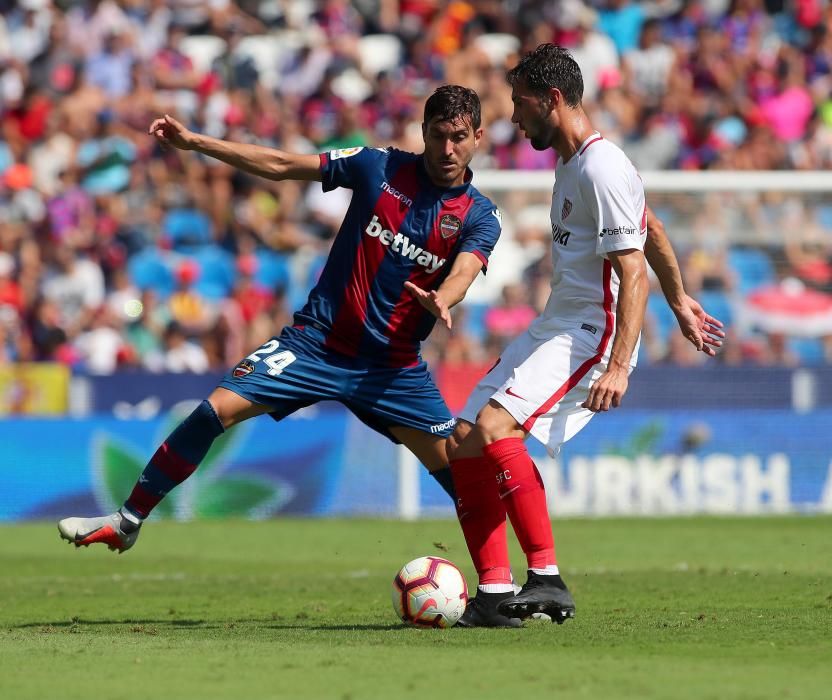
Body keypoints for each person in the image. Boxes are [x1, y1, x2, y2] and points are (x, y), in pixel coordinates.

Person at [57, 85, 503, 552]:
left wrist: (445, 298)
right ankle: (127, 520)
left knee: (463, 471)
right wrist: (196, 143)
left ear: (478, 137)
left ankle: (501, 587)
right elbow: (282, 164)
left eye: (459, 137)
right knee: (213, 411)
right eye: (438, 135)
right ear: (423, 132)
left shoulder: (480, 216)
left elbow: (466, 269)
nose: (447, 149)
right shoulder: (378, 166)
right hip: (316, 345)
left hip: (390, 368)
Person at [437, 45, 724, 628]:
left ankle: (546, 579)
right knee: (464, 439)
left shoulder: (601, 166)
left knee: (496, 428)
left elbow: (632, 267)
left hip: (592, 331)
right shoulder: (573, 165)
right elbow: (654, 229)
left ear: (552, 99)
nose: (514, 118)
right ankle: (494, 593)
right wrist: (681, 299)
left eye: (520, 104)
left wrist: (618, 365)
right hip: (556, 322)